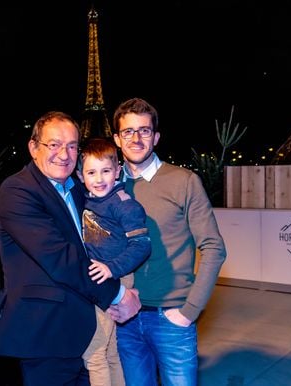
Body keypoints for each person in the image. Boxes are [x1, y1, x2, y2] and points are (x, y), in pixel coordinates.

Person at [0, 111, 142, 386]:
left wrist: (124, 282)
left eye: (71, 145)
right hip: (47, 335)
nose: (64, 154)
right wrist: (117, 295)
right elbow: (61, 259)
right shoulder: (18, 190)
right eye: (53, 144)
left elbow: (105, 241)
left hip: (86, 327)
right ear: (33, 148)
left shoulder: (79, 189)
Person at [110, 97, 227, 386]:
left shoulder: (183, 181)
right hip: (123, 318)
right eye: (128, 131)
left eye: (144, 131)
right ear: (116, 138)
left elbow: (214, 248)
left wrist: (189, 311)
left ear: (156, 137)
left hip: (171, 319)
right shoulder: (107, 185)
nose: (136, 138)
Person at [76, 137, 152, 386]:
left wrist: (111, 269)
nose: (99, 179)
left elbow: (142, 246)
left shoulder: (125, 205)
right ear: (81, 175)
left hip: (114, 276)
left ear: (118, 171)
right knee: (109, 352)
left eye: (106, 171)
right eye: (91, 172)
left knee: (95, 353)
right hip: (100, 277)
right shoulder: (87, 201)